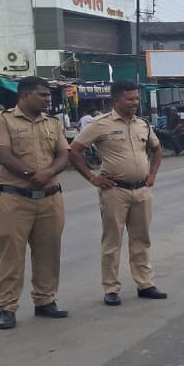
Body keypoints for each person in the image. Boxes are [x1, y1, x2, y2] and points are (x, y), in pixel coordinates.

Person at [67, 80, 167, 306]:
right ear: (116, 100)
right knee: (112, 241)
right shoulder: (100, 124)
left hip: (141, 190)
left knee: (142, 239)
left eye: (136, 98)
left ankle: (145, 283)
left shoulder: (143, 124)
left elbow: (157, 149)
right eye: (130, 99)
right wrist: (93, 178)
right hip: (114, 191)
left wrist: (152, 174)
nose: (135, 102)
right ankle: (111, 288)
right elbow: (74, 151)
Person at [0, 76, 70, 330]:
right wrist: (31, 175)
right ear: (24, 95)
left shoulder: (52, 123)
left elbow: (64, 153)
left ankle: (45, 300)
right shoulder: (3, 121)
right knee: (12, 254)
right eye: (42, 95)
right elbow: (3, 154)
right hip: (15, 198)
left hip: (50, 199)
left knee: (49, 252)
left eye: (48, 95)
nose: (48, 99)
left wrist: (49, 173)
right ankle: (7, 307)